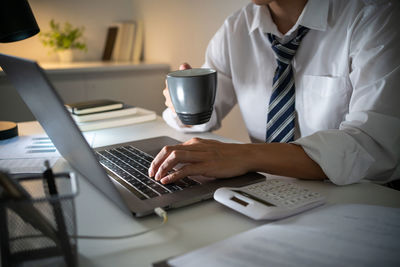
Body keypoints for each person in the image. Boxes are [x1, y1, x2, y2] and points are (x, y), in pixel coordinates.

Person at [148, 0, 400, 187]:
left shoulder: (375, 17)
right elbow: (206, 115)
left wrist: (246, 155)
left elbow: (372, 147)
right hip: (269, 190)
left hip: (361, 196)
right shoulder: (236, 29)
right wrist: (181, 105)